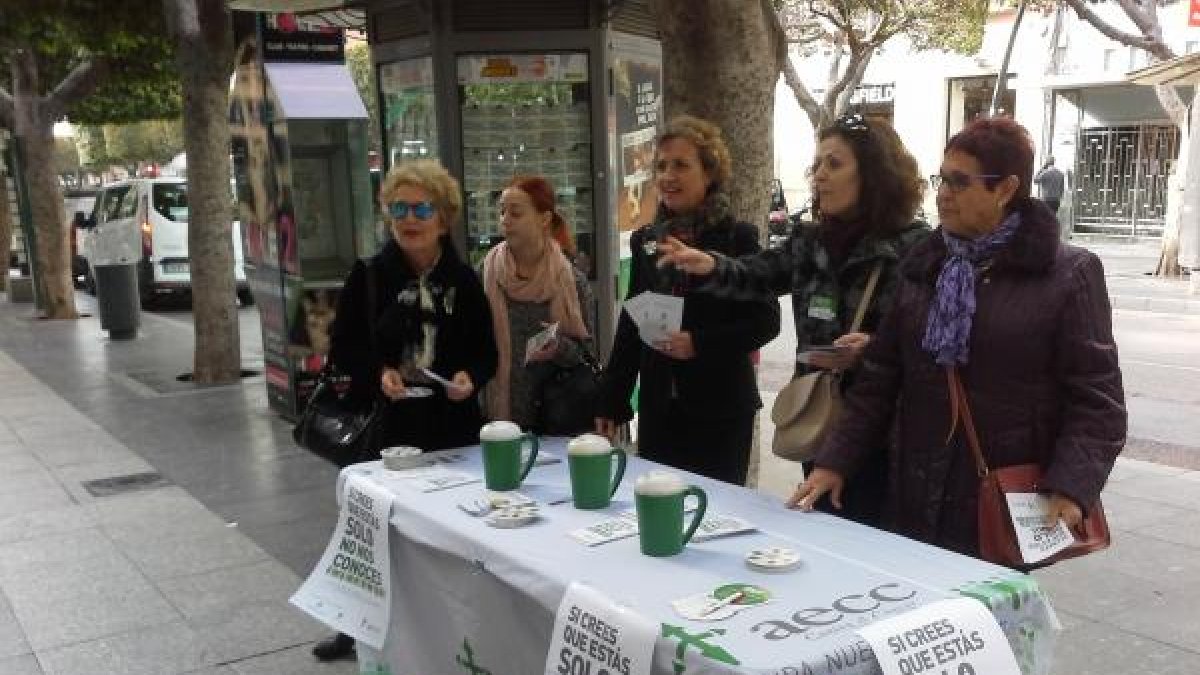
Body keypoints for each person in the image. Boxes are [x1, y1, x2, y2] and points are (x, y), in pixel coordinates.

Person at [788, 118, 1126, 560]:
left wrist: (1071, 487)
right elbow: (879, 380)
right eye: (941, 178)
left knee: (985, 619)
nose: (943, 192)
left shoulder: (1068, 275)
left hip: (1000, 497)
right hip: (912, 488)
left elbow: (1097, 402)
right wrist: (834, 463)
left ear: (1005, 188)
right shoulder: (925, 264)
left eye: (959, 182)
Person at [657, 112, 929, 526]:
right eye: (817, 163)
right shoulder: (809, 240)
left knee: (877, 543)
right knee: (824, 532)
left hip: (883, 431)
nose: (819, 175)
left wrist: (874, 349)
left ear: (873, 174)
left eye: (834, 164)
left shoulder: (915, 246)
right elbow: (758, 273)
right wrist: (710, 264)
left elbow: (930, 339)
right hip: (818, 418)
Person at [314, 160, 498, 661]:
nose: (409, 219)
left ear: (444, 218)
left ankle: (442, 623)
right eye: (399, 208)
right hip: (386, 423)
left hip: (449, 424)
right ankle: (353, 624)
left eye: (421, 208)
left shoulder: (462, 280)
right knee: (370, 526)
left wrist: (469, 379)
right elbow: (343, 348)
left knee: (450, 527)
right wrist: (379, 372)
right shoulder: (369, 275)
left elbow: (486, 354)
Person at [595, 115, 780, 485]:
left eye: (681, 165)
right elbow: (633, 323)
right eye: (661, 166)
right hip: (660, 407)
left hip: (721, 410)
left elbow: (766, 321)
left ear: (709, 173)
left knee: (716, 515)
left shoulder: (737, 238)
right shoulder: (646, 240)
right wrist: (612, 400)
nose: (667, 176)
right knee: (660, 510)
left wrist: (697, 344)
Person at [480, 175, 596, 431]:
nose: (505, 221)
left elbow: (586, 353)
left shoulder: (570, 279)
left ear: (544, 219)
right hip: (498, 420)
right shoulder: (485, 274)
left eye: (516, 213)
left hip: (555, 415)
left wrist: (558, 347)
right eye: (501, 212)